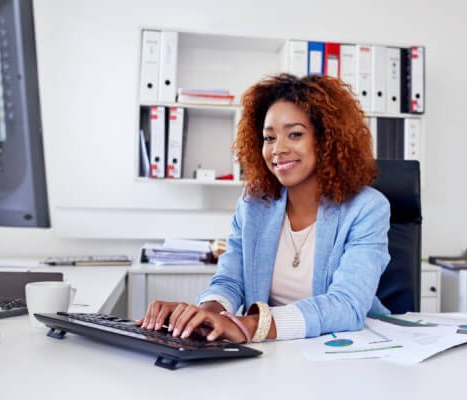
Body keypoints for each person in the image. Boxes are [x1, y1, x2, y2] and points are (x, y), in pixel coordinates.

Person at [136, 73, 390, 344]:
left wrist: (250, 326)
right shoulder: (253, 204)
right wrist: (203, 318)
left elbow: (346, 305)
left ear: (327, 139)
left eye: (294, 134)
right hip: (272, 352)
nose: (277, 149)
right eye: (269, 138)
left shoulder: (367, 208)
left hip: (347, 351)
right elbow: (230, 281)